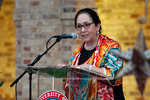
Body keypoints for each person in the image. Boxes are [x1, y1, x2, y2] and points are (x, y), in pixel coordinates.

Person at [63, 8, 125, 100]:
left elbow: (114, 76)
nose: (83, 30)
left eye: (87, 25)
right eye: (79, 26)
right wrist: (64, 71)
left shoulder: (111, 47)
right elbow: (71, 82)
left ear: (97, 26)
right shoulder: (77, 52)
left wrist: (90, 68)